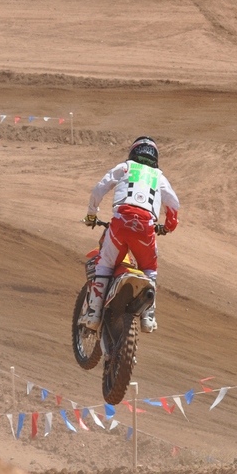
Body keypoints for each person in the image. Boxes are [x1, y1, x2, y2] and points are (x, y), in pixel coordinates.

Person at [82, 136, 179, 333]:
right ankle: (148, 317)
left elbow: (99, 188)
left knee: (105, 264)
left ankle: (93, 314)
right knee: (149, 269)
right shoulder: (159, 176)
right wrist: (168, 227)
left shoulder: (125, 167)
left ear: (133, 151)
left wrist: (92, 214)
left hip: (121, 222)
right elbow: (173, 204)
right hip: (146, 228)